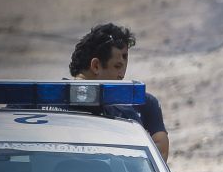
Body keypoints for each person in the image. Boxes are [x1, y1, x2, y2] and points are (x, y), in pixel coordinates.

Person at [69, 23, 170, 160]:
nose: (122, 75)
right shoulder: (126, 115)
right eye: (117, 66)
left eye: (124, 65)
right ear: (96, 66)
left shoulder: (138, 104)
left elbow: (160, 153)